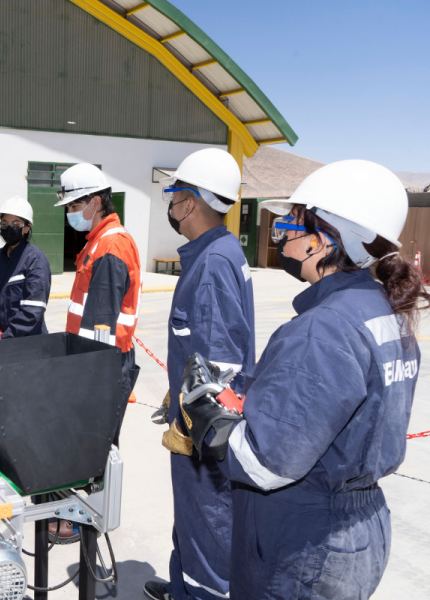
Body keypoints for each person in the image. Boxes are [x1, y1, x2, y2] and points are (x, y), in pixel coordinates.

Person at [179, 160, 427, 599]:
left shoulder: (323, 328)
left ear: (322, 241)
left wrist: (206, 421)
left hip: (305, 541)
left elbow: (266, 462)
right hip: (357, 526)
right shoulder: (381, 311)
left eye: (291, 226)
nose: (282, 238)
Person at [144, 149, 254, 600]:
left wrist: (194, 432)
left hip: (204, 443)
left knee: (206, 541)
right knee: (188, 531)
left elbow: (218, 370)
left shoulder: (210, 267)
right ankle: (180, 587)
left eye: (173, 194)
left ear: (189, 203)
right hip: (192, 419)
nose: (169, 203)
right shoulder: (219, 252)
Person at [49, 163, 142, 543]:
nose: (71, 213)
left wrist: (86, 380)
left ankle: (83, 518)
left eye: (75, 205)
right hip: (96, 361)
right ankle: (85, 510)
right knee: (91, 441)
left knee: (93, 442)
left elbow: (100, 324)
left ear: (95, 202)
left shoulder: (110, 246)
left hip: (101, 365)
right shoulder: (101, 241)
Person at [0, 196, 51, 339]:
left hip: (30, 340)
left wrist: (7, 336)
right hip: (0, 336)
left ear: (27, 228)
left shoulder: (35, 259)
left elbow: (33, 307)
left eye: (16, 224)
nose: (9, 228)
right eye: (4, 223)